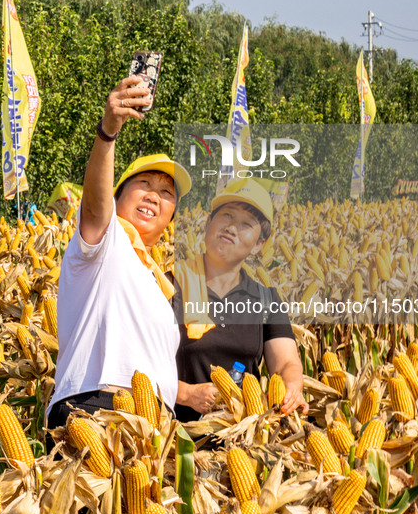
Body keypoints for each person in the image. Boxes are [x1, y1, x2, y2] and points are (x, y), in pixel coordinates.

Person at [46, 72, 191, 428]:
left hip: (154, 424)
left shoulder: (159, 281)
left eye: (166, 193)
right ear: (118, 195)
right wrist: (108, 132)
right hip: (94, 407)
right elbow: (95, 205)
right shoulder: (105, 241)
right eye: (144, 184)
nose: (154, 195)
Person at [173, 178, 308, 422]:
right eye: (226, 216)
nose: (232, 228)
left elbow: (286, 362)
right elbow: (137, 366)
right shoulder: (171, 286)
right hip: (177, 441)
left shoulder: (266, 300)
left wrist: (291, 388)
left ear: (258, 245)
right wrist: (186, 394)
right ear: (208, 224)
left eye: (246, 224)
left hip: (244, 439)